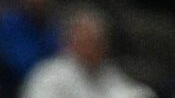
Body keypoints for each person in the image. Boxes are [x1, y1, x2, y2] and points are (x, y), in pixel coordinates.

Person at [21, 10, 152, 98]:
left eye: (98, 41)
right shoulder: (48, 74)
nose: (94, 46)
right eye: (87, 40)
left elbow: (132, 92)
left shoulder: (108, 72)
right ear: (71, 41)